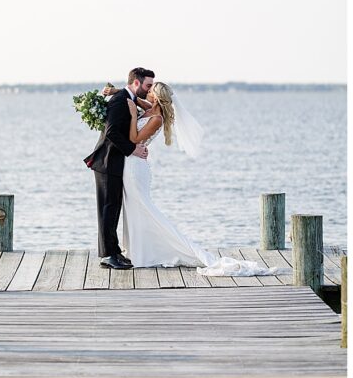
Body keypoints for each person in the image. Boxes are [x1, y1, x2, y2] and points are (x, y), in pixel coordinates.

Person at [119, 82, 279, 276]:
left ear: (156, 97)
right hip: (130, 164)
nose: (147, 92)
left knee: (144, 208)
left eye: (151, 90)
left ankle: (160, 250)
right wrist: (119, 94)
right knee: (133, 209)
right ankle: (137, 250)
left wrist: (133, 115)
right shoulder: (150, 108)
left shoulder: (157, 118)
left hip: (136, 167)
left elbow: (134, 139)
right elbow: (136, 100)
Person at [84, 67, 152, 269]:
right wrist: (132, 149)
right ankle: (108, 255)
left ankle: (114, 252)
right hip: (106, 161)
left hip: (114, 162)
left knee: (113, 208)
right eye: (148, 85)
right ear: (137, 83)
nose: (149, 90)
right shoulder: (121, 100)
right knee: (108, 209)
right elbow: (112, 133)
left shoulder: (126, 97)